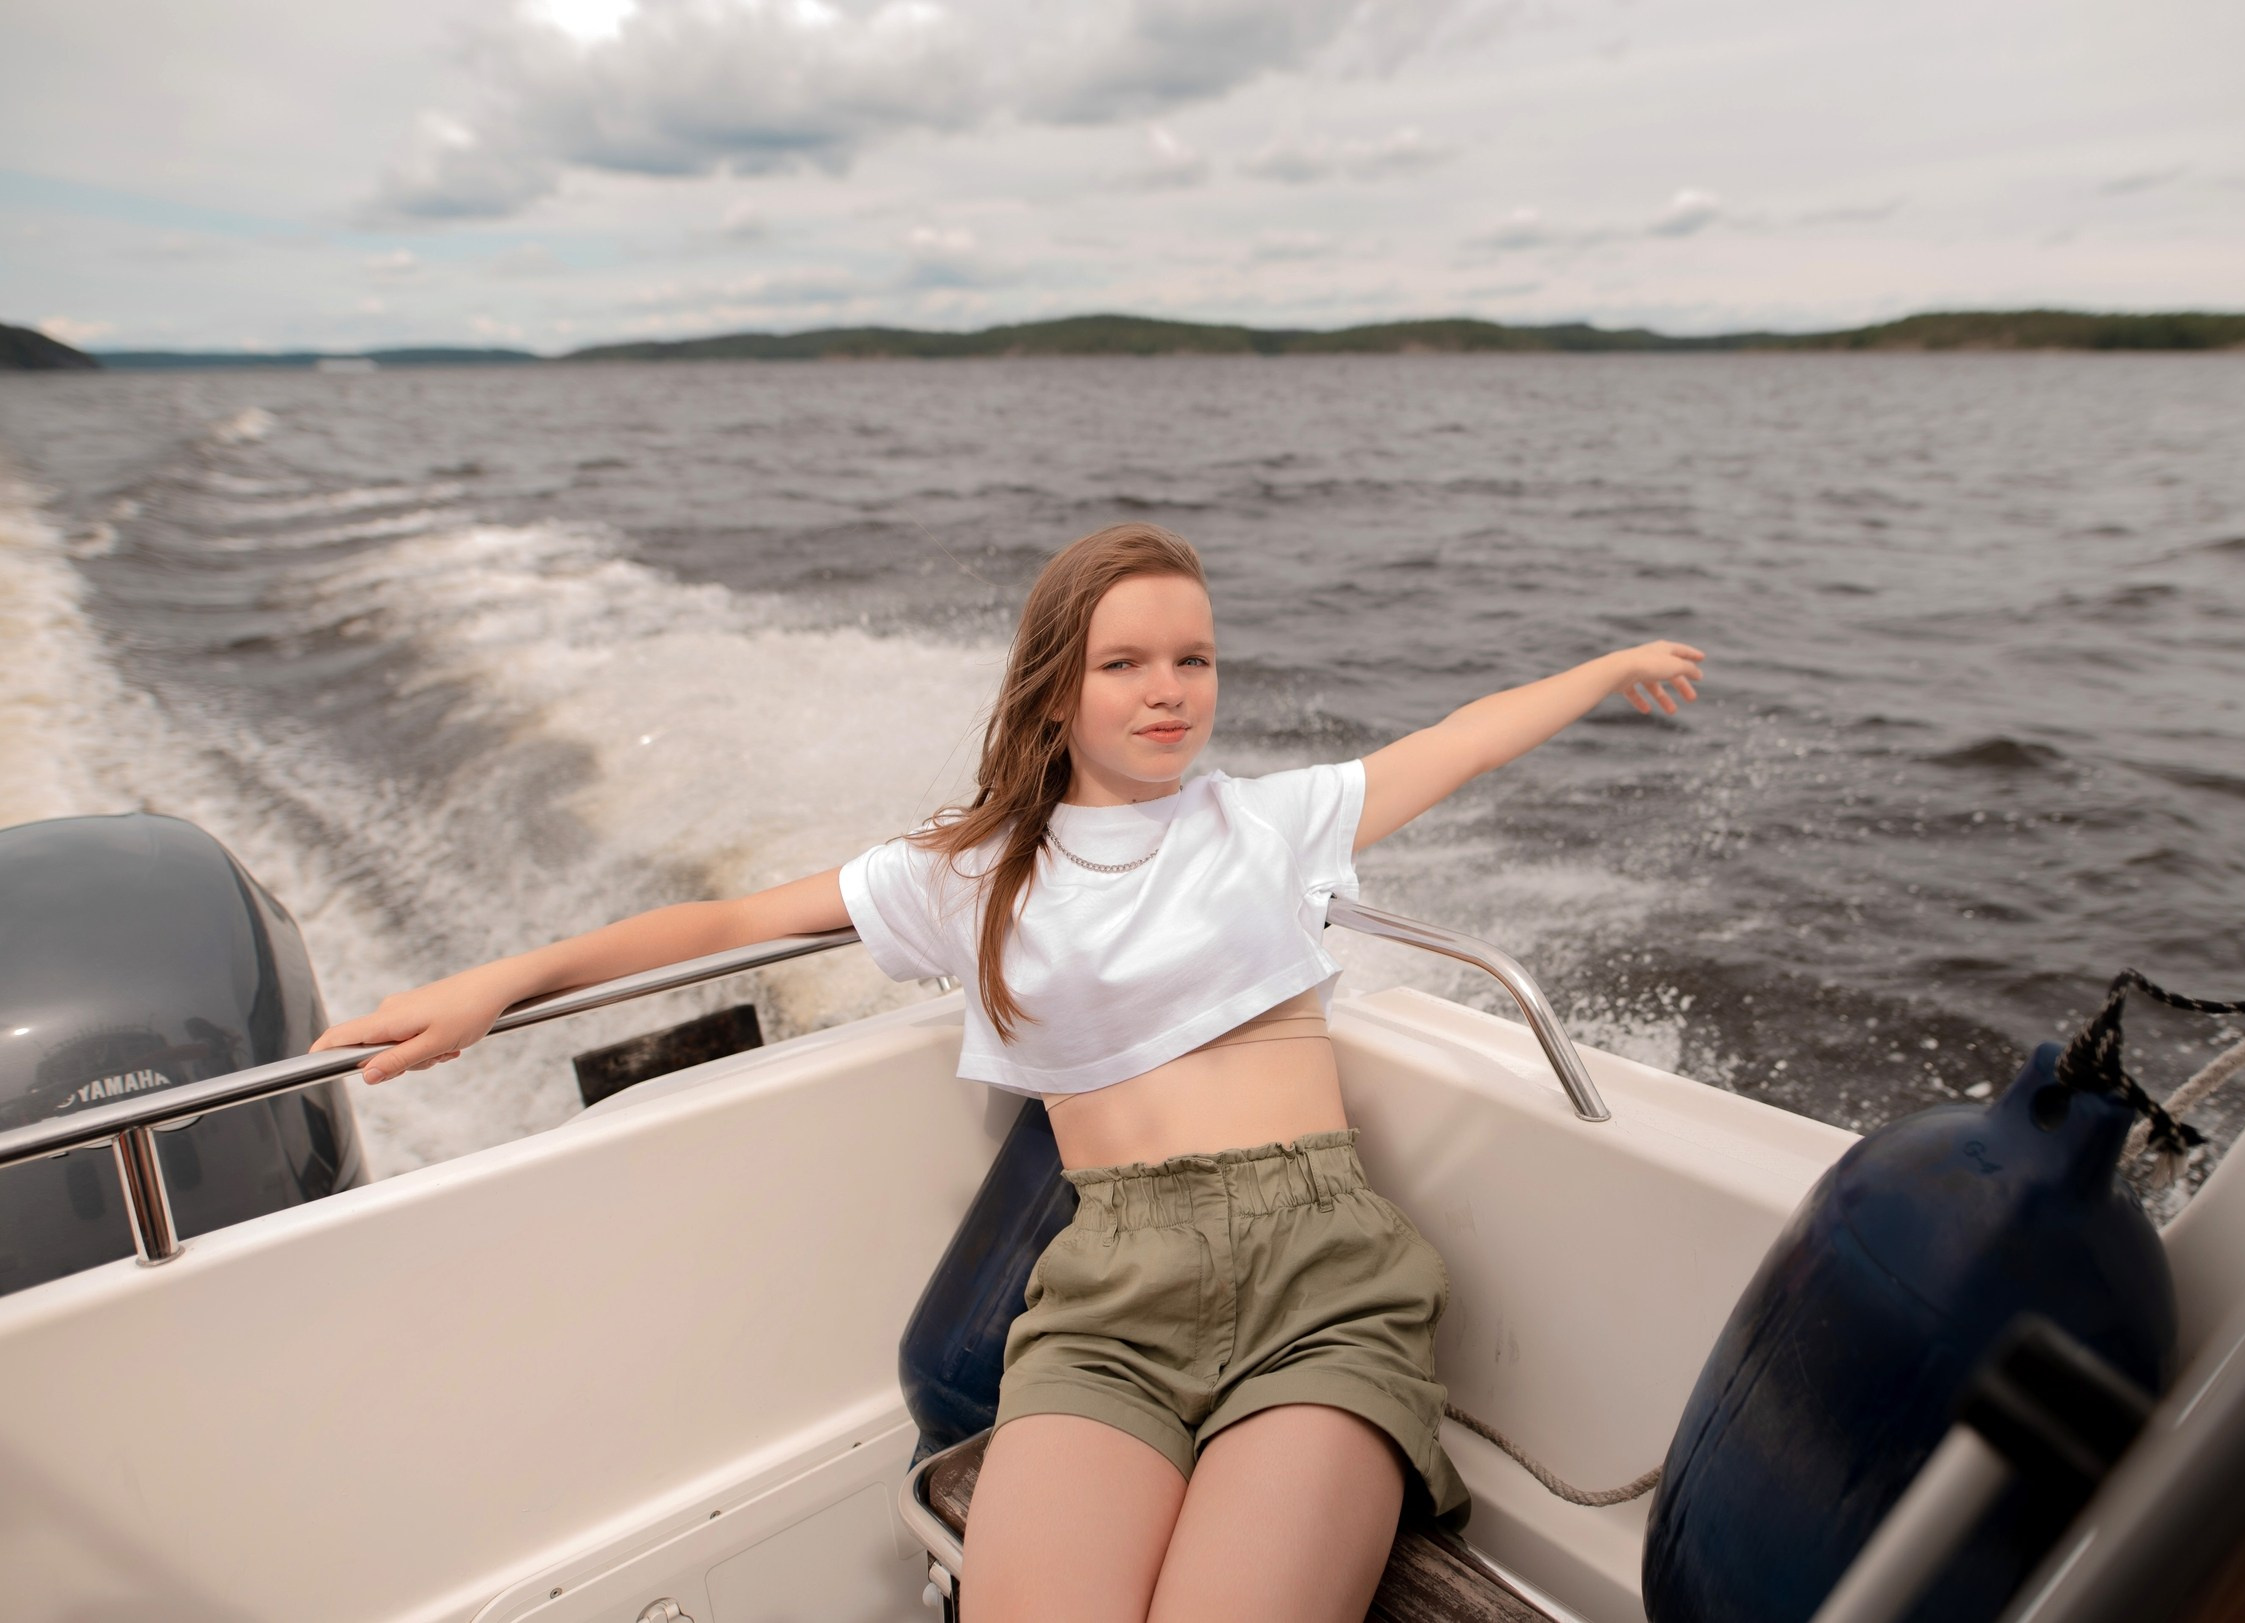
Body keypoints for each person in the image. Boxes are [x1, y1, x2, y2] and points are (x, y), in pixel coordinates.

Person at [318, 522, 1702, 1623]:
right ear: (1056, 685)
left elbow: (1456, 740)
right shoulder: (970, 872)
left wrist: (1600, 670)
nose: (1170, 691)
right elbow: (735, 926)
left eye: (1195, 661)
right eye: (1128, 664)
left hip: (1321, 1282)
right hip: (1110, 1297)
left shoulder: (1275, 824)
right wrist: (497, 984)